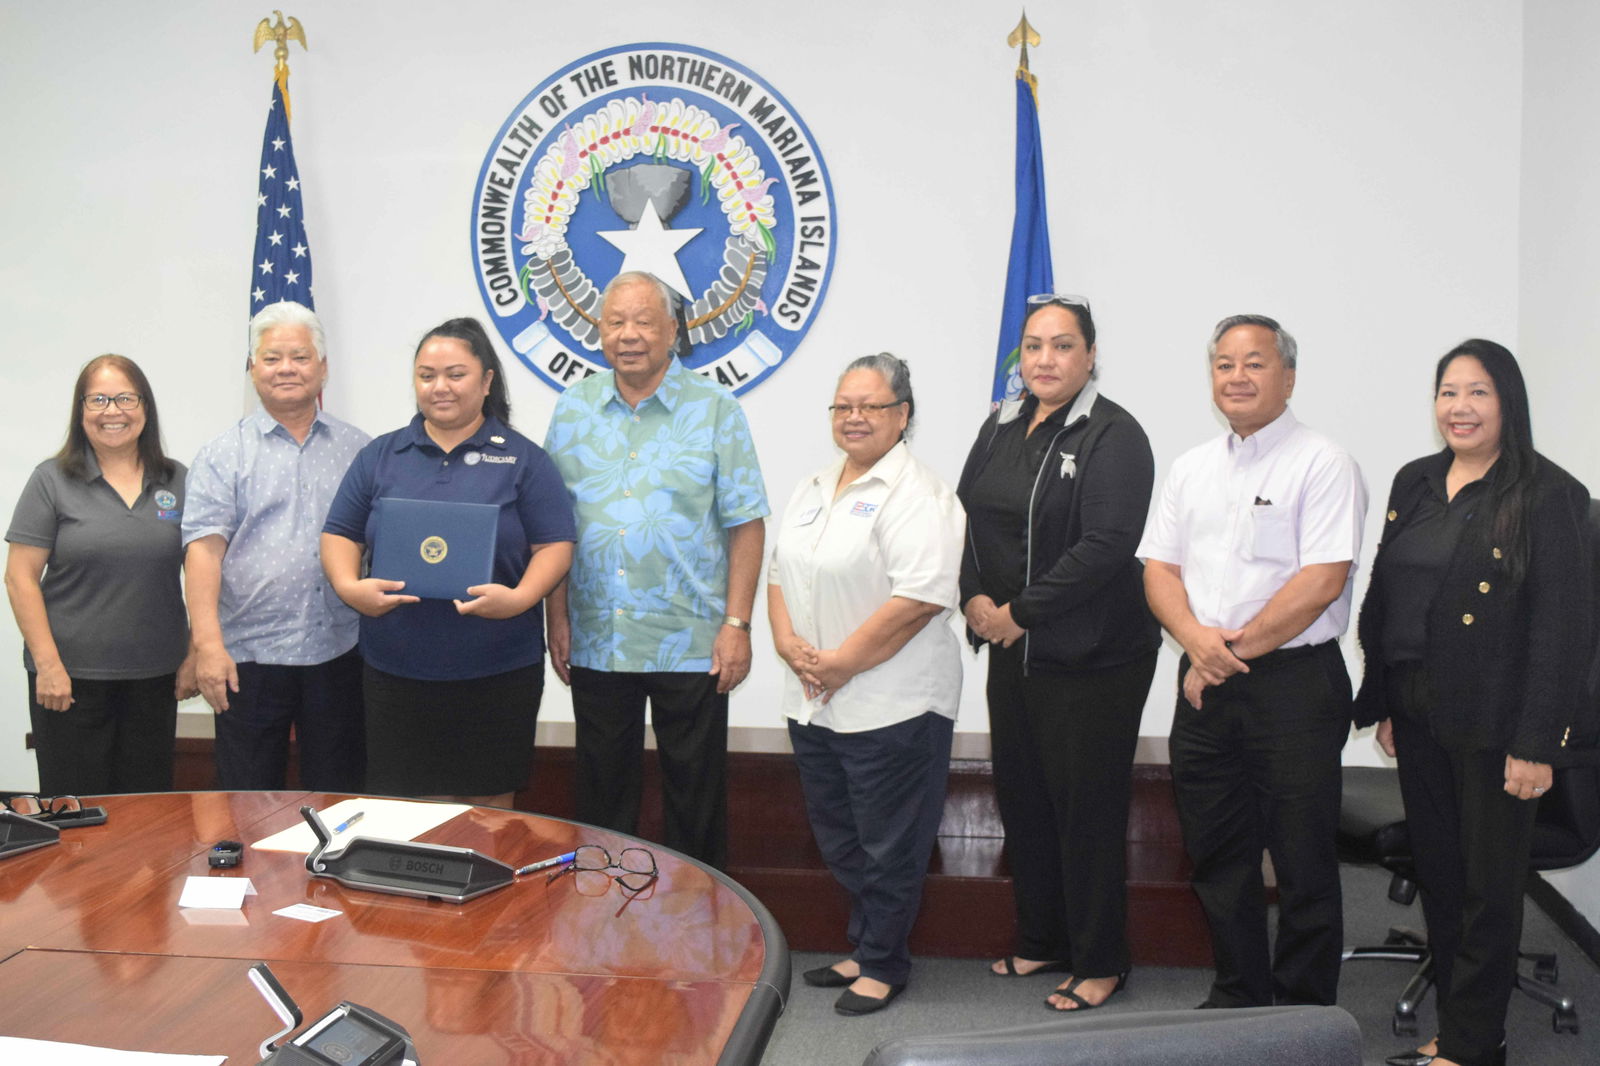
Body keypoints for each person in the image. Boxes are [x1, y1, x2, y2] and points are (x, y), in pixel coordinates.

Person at [1353, 340, 1591, 1066]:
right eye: (1448, 392)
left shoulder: (1548, 494)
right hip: (1418, 710)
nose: (1460, 407)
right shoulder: (1417, 480)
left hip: (1499, 723)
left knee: (1487, 890)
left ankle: (1474, 1045)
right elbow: (1391, 595)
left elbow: (1562, 631)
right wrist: (1386, 699)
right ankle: (1458, 1028)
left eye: (1478, 392)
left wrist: (1537, 744)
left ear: (1508, 402)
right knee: (1442, 874)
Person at [1137, 313, 1367, 1009]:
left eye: (1254, 363)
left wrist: (1218, 655)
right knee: (1218, 854)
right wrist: (1197, 644)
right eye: (1224, 364)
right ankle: (1238, 994)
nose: (1236, 377)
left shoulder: (1322, 462)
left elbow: (1321, 581)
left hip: (1293, 685)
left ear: (1288, 377)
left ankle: (1303, 1016)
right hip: (1207, 686)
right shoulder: (1191, 468)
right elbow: (1159, 570)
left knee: (1302, 861)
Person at [957, 294, 1160, 1011]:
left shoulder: (1114, 434)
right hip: (1011, 651)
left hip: (1093, 658)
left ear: (1091, 355)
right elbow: (964, 519)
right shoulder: (1000, 426)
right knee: (1025, 799)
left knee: (1086, 810)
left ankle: (1101, 960)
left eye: (1063, 345)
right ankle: (1043, 937)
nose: (1045, 360)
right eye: (1034, 346)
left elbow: (1107, 546)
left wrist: (1020, 613)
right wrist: (975, 600)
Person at [544, 270, 769, 869]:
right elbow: (554, 526)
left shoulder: (715, 409)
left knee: (695, 799)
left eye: (645, 322)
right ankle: (599, 912)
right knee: (601, 798)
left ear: (672, 330)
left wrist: (737, 625)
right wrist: (556, 617)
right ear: (598, 332)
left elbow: (746, 524)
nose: (630, 335)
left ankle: (703, 917)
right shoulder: (573, 409)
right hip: (599, 635)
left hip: (691, 638)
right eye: (616, 322)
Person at [770, 353, 964, 1016]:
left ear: (902, 415)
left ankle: (883, 962)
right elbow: (778, 575)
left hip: (894, 704)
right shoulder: (814, 485)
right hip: (816, 702)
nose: (853, 418)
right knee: (841, 837)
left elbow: (920, 599)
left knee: (889, 844)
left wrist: (842, 663)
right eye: (843, 406)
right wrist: (788, 645)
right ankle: (865, 944)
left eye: (870, 406)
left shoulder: (920, 495)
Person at [320, 317, 574, 807]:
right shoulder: (381, 455)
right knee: (399, 813)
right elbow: (340, 533)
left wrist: (520, 598)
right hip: (396, 669)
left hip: (498, 668)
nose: (440, 386)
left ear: (486, 380)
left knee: (489, 814)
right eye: (427, 375)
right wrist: (350, 588)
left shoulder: (524, 460)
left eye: (456, 374)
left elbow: (555, 545)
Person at [183, 301, 371, 791]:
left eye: (300, 357)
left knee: (339, 799)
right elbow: (203, 554)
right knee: (246, 802)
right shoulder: (222, 454)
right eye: (271, 358)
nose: (286, 368)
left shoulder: (360, 451)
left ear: (323, 368)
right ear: (252, 369)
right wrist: (207, 647)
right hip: (249, 658)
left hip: (339, 652)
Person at [5, 355, 195, 795]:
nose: (113, 411)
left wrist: (195, 652)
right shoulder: (51, 480)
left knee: (147, 810)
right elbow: (19, 578)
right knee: (77, 812)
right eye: (99, 400)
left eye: (126, 398)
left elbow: (205, 570)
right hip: (69, 680)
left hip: (156, 678)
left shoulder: (177, 479)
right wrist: (48, 665)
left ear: (145, 407)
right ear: (81, 410)